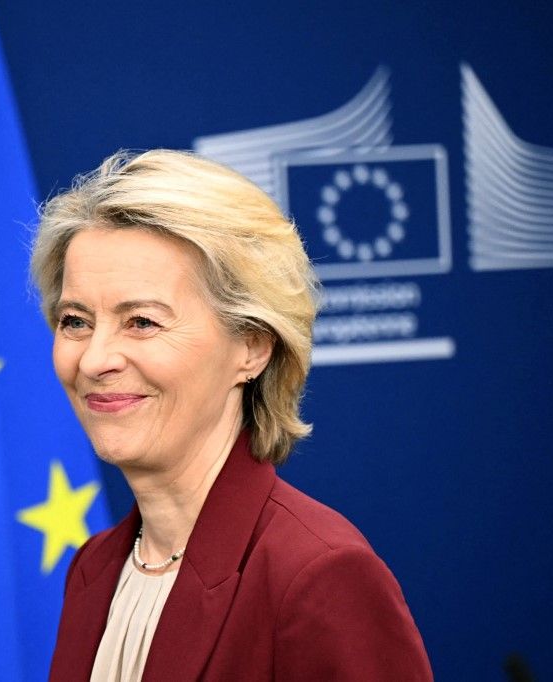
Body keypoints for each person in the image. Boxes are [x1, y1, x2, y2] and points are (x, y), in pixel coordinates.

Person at [30, 149, 433, 681]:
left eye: (143, 322)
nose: (96, 358)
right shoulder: (95, 567)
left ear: (252, 346)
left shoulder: (318, 574)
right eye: (76, 321)